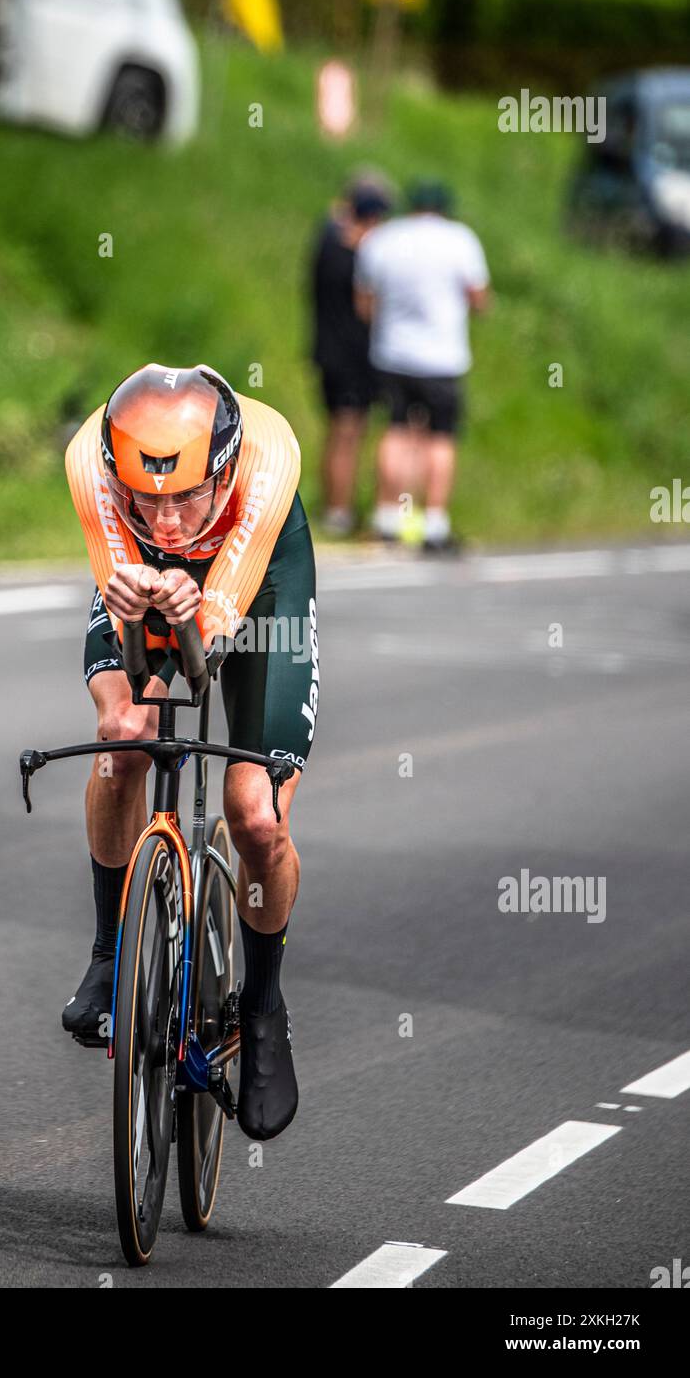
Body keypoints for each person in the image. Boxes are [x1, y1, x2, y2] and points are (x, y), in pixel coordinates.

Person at [63, 364, 318, 1142]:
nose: (168, 521)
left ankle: (264, 1005)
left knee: (255, 816)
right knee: (124, 738)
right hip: (141, 584)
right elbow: (125, 605)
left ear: (224, 467)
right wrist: (150, 595)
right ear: (117, 474)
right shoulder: (89, 463)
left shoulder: (267, 458)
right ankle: (112, 951)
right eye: (148, 499)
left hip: (260, 580)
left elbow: (217, 617)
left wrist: (197, 610)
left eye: (186, 497)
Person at [355, 180, 491, 551]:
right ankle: (434, 522)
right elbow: (480, 299)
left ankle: (386, 516)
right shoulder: (460, 240)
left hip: (393, 353)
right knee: (441, 438)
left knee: (396, 431)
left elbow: (364, 303)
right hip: (442, 357)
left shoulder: (384, 240)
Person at [310, 171, 393, 536]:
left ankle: (338, 508)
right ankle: (338, 511)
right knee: (347, 432)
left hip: (330, 351)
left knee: (342, 432)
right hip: (349, 355)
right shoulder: (347, 248)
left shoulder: (328, 239)